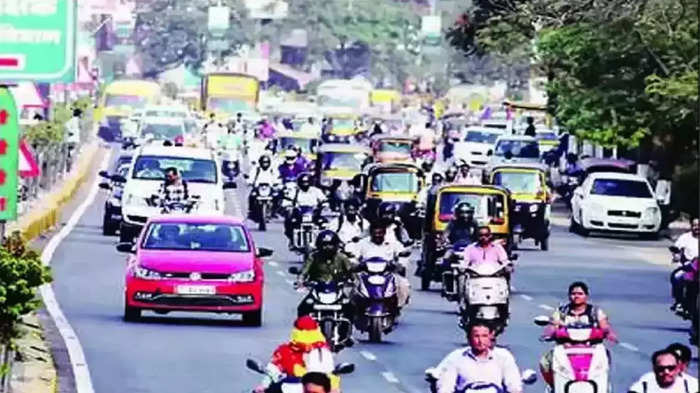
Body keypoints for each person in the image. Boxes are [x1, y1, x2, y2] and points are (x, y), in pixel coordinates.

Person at [539, 281, 617, 387]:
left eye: (580, 294)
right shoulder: (562, 311)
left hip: (591, 348)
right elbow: (552, 326)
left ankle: (602, 386)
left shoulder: (595, 312)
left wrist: (609, 333)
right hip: (565, 348)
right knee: (545, 362)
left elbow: (604, 325)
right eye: (573, 294)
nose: (576, 296)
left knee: (605, 359)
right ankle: (555, 385)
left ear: (586, 296)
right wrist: (550, 332)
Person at [254, 316, 338, 393]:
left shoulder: (322, 351)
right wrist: (263, 386)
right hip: (289, 387)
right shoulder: (284, 351)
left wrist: (334, 388)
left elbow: (329, 374)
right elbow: (272, 371)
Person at [434, 322, 523, 393]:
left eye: (484, 336)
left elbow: (514, 386)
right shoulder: (456, 358)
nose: (480, 341)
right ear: (468, 338)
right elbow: (445, 387)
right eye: (476, 336)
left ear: (491, 336)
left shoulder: (504, 357)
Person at [347, 223, 410, 309]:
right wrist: (355, 264)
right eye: (375, 234)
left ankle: (397, 307)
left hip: (388, 274)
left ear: (384, 233)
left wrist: (399, 263)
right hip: (366, 274)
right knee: (350, 286)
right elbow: (354, 257)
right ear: (371, 233)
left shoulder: (393, 243)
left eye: (380, 233)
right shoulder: (362, 243)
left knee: (403, 285)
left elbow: (401, 252)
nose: (377, 236)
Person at [297, 231, 355, 317]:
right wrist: (300, 281)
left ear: (336, 245)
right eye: (324, 245)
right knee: (303, 307)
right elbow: (304, 272)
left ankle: (346, 327)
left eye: (330, 244)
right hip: (317, 288)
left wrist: (354, 281)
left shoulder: (342, 257)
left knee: (350, 307)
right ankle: (304, 329)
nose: (327, 247)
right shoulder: (313, 257)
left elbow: (351, 272)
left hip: (337, 289)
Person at [284, 174, 327, 247]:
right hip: (299, 214)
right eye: (303, 182)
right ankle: (292, 240)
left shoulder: (316, 191)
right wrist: (288, 206)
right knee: (290, 223)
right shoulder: (295, 191)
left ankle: (322, 242)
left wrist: (324, 205)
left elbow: (324, 200)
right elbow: (288, 200)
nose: (305, 184)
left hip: (314, 213)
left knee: (324, 224)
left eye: (306, 182)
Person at [628, 349, 698, 393]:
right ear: (654, 368)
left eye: (671, 368)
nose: (666, 372)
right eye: (661, 368)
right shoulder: (644, 386)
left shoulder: (691, 385)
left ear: (678, 368)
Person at [247, 155, 280, 220]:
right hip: (258, 188)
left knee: (276, 196)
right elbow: (251, 177)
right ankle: (251, 211)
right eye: (264, 162)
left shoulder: (272, 170)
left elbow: (277, 177)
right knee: (252, 196)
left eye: (266, 162)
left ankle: (274, 212)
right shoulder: (256, 169)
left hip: (269, 188)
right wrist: (250, 182)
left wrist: (277, 182)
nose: (265, 164)